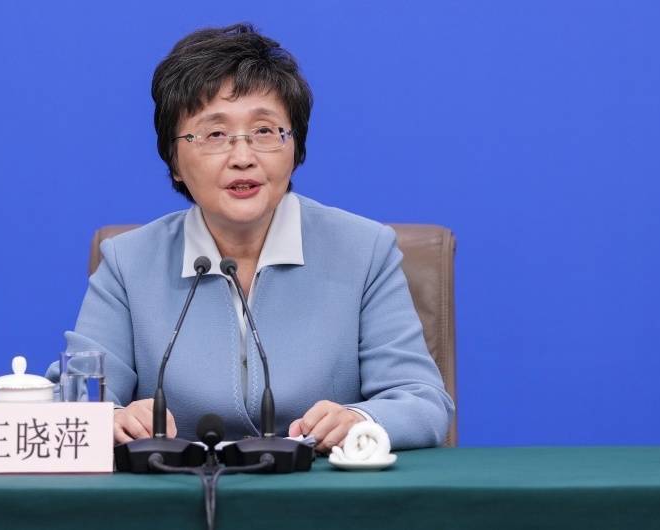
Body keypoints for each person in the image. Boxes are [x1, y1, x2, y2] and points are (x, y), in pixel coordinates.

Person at [49, 23, 454, 453]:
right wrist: (111, 420)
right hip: (177, 489)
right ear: (174, 161)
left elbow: (422, 402)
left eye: (264, 131)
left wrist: (359, 420)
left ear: (295, 148)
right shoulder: (128, 263)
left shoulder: (364, 250)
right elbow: (70, 399)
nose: (243, 157)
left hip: (317, 488)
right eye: (214, 134)